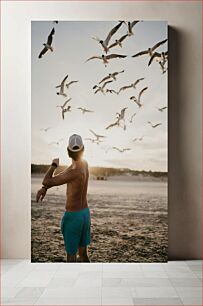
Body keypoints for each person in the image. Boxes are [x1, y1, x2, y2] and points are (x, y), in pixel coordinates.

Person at [36, 134, 91, 263]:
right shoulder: (84, 164)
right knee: (83, 255)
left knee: (71, 257)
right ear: (83, 150)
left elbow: (47, 180)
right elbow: (63, 175)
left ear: (68, 151)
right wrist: (45, 188)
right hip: (85, 214)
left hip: (73, 216)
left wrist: (53, 165)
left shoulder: (73, 172)